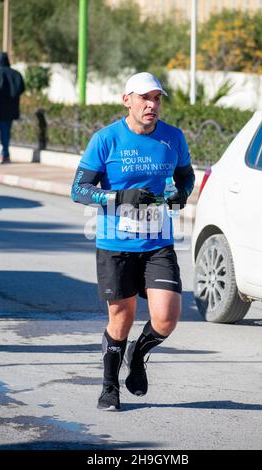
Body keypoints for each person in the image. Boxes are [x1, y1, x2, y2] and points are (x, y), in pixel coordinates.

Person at [71, 72, 195, 411]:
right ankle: (109, 387)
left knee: (167, 317)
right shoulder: (106, 139)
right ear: (127, 100)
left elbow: (186, 176)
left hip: (157, 241)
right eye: (145, 98)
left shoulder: (173, 138)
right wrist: (120, 196)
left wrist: (179, 196)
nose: (152, 104)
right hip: (116, 245)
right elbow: (78, 190)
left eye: (157, 98)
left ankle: (137, 355)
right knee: (121, 318)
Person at [0, 52, 25, 164]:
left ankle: (5, 153)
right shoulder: (16, 74)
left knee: (3, 131)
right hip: (12, 108)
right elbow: (22, 88)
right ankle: (5, 152)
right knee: (6, 130)